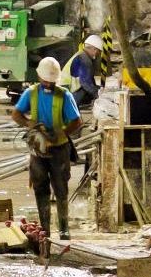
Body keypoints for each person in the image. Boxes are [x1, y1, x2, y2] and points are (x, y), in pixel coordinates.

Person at [10, 57, 83, 239]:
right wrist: (30, 124)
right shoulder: (31, 93)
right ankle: (45, 229)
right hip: (38, 152)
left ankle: (64, 229)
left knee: (61, 188)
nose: (48, 83)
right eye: (45, 80)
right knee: (40, 188)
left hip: (59, 149)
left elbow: (77, 121)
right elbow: (16, 114)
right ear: (39, 77)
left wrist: (60, 134)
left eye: (51, 81)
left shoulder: (64, 95)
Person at [63, 34, 105, 108]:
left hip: (67, 88)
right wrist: (98, 95)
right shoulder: (84, 59)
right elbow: (85, 82)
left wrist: (98, 89)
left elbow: (89, 80)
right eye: (98, 51)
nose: (98, 54)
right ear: (94, 49)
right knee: (86, 90)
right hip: (67, 90)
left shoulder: (81, 55)